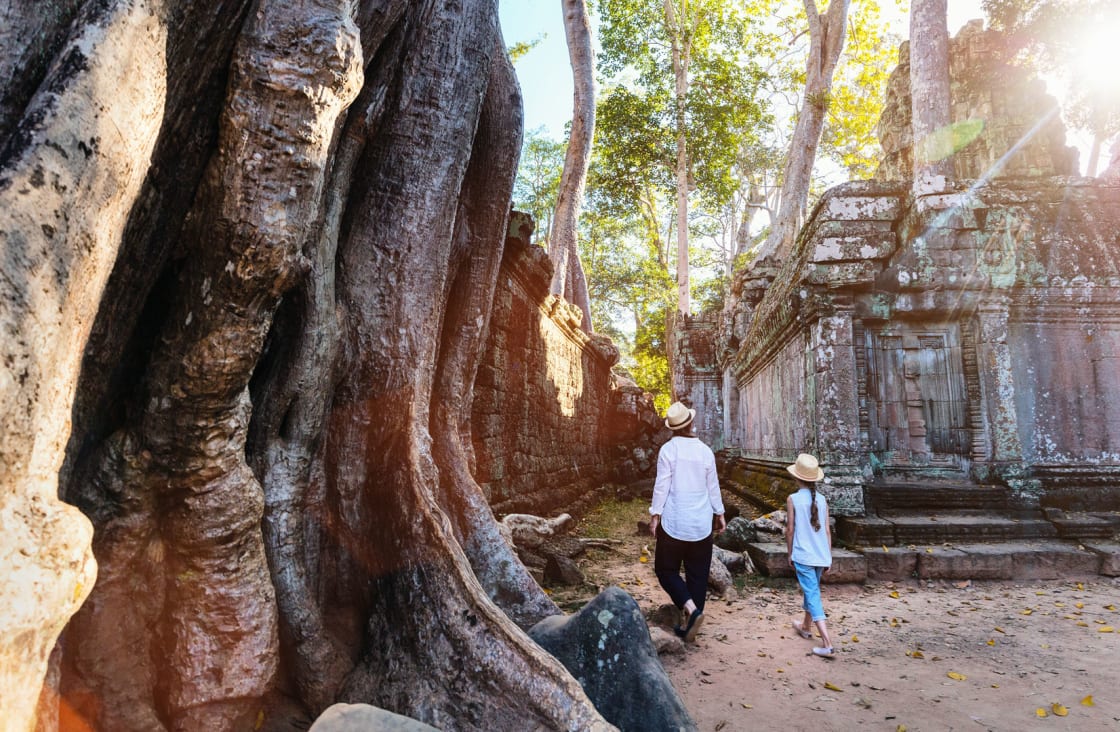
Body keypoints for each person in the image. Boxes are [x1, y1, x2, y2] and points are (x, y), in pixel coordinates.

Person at [649, 401, 726, 642]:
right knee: (698, 575)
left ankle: (691, 612)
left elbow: (662, 485)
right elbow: (712, 486)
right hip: (701, 523)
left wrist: (655, 514)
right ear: (691, 423)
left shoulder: (668, 450)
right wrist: (720, 513)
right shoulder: (705, 451)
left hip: (674, 521)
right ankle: (692, 620)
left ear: (672, 428)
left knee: (665, 570)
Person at [785, 453, 835, 658]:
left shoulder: (793, 499)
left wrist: (790, 553)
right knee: (811, 589)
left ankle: (827, 642)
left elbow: (790, 529)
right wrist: (829, 557)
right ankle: (806, 626)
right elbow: (827, 531)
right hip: (820, 555)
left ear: (796, 478)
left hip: (804, 555)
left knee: (813, 594)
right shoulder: (822, 500)